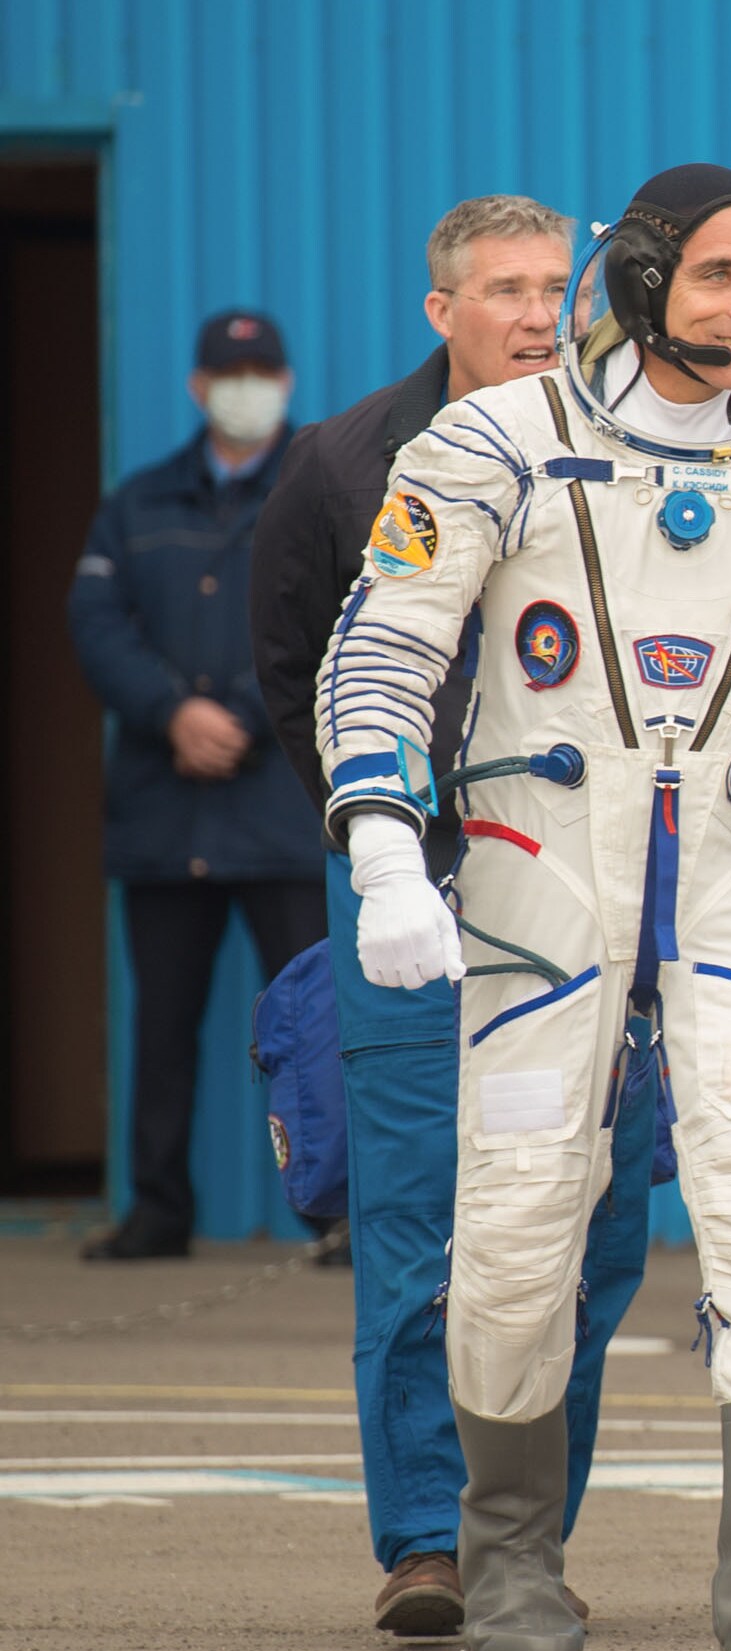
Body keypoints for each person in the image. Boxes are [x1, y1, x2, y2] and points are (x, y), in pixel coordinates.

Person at [313, 163, 731, 1651]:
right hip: (539, 883)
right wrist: (388, 849)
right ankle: (512, 1559)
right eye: (720, 275)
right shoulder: (492, 443)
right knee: (519, 1221)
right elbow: (380, 649)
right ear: (645, 281)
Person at [248, 193, 658, 1638]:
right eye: (505, 288)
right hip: (416, 901)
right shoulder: (348, 463)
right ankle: (431, 1540)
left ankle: (526, 1535)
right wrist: (387, 850)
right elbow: (299, 656)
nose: (538, 311)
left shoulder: (638, 448)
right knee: (424, 1223)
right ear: (444, 310)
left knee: (596, 1229)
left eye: (557, 284)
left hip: (602, 896)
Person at [70, 309, 328, 1261]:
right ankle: (159, 1210)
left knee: (311, 1020)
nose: (248, 383)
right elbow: (96, 623)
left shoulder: (312, 491)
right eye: (232, 369)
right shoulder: (138, 503)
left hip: (277, 810)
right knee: (164, 1022)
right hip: (162, 807)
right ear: (198, 385)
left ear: (288, 382)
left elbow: (336, 622)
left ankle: (334, 1214)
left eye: (264, 367)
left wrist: (250, 721)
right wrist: (172, 712)